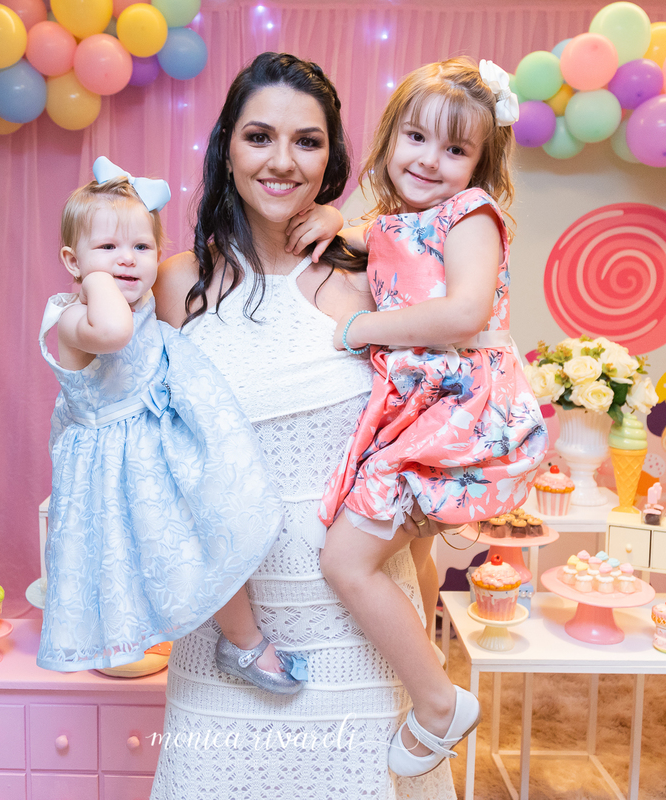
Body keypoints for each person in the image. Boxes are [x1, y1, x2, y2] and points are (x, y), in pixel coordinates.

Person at [150, 53, 456, 799]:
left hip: (356, 627)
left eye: (307, 142)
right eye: (260, 137)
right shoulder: (175, 283)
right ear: (227, 146)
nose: (283, 162)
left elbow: (432, 419)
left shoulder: (377, 270)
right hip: (229, 631)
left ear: (334, 156)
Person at [312, 56, 548, 775]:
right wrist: (328, 216)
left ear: (480, 164)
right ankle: (415, 675)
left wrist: (359, 332)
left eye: (456, 150)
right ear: (389, 140)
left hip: (462, 407)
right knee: (408, 554)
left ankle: (440, 702)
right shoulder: (390, 222)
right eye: (417, 138)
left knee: (346, 561)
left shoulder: (469, 214)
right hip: (418, 407)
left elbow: (465, 311)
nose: (431, 160)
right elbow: (351, 238)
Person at [36, 158, 302, 695]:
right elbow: (112, 332)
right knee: (165, 558)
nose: (126, 261)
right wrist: (98, 281)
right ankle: (235, 642)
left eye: (141, 247)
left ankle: (239, 639)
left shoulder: (141, 296)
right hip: (120, 474)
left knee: (218, 532)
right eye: (107, 248)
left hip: (163, 448)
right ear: (72, 260)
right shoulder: (74, 320)